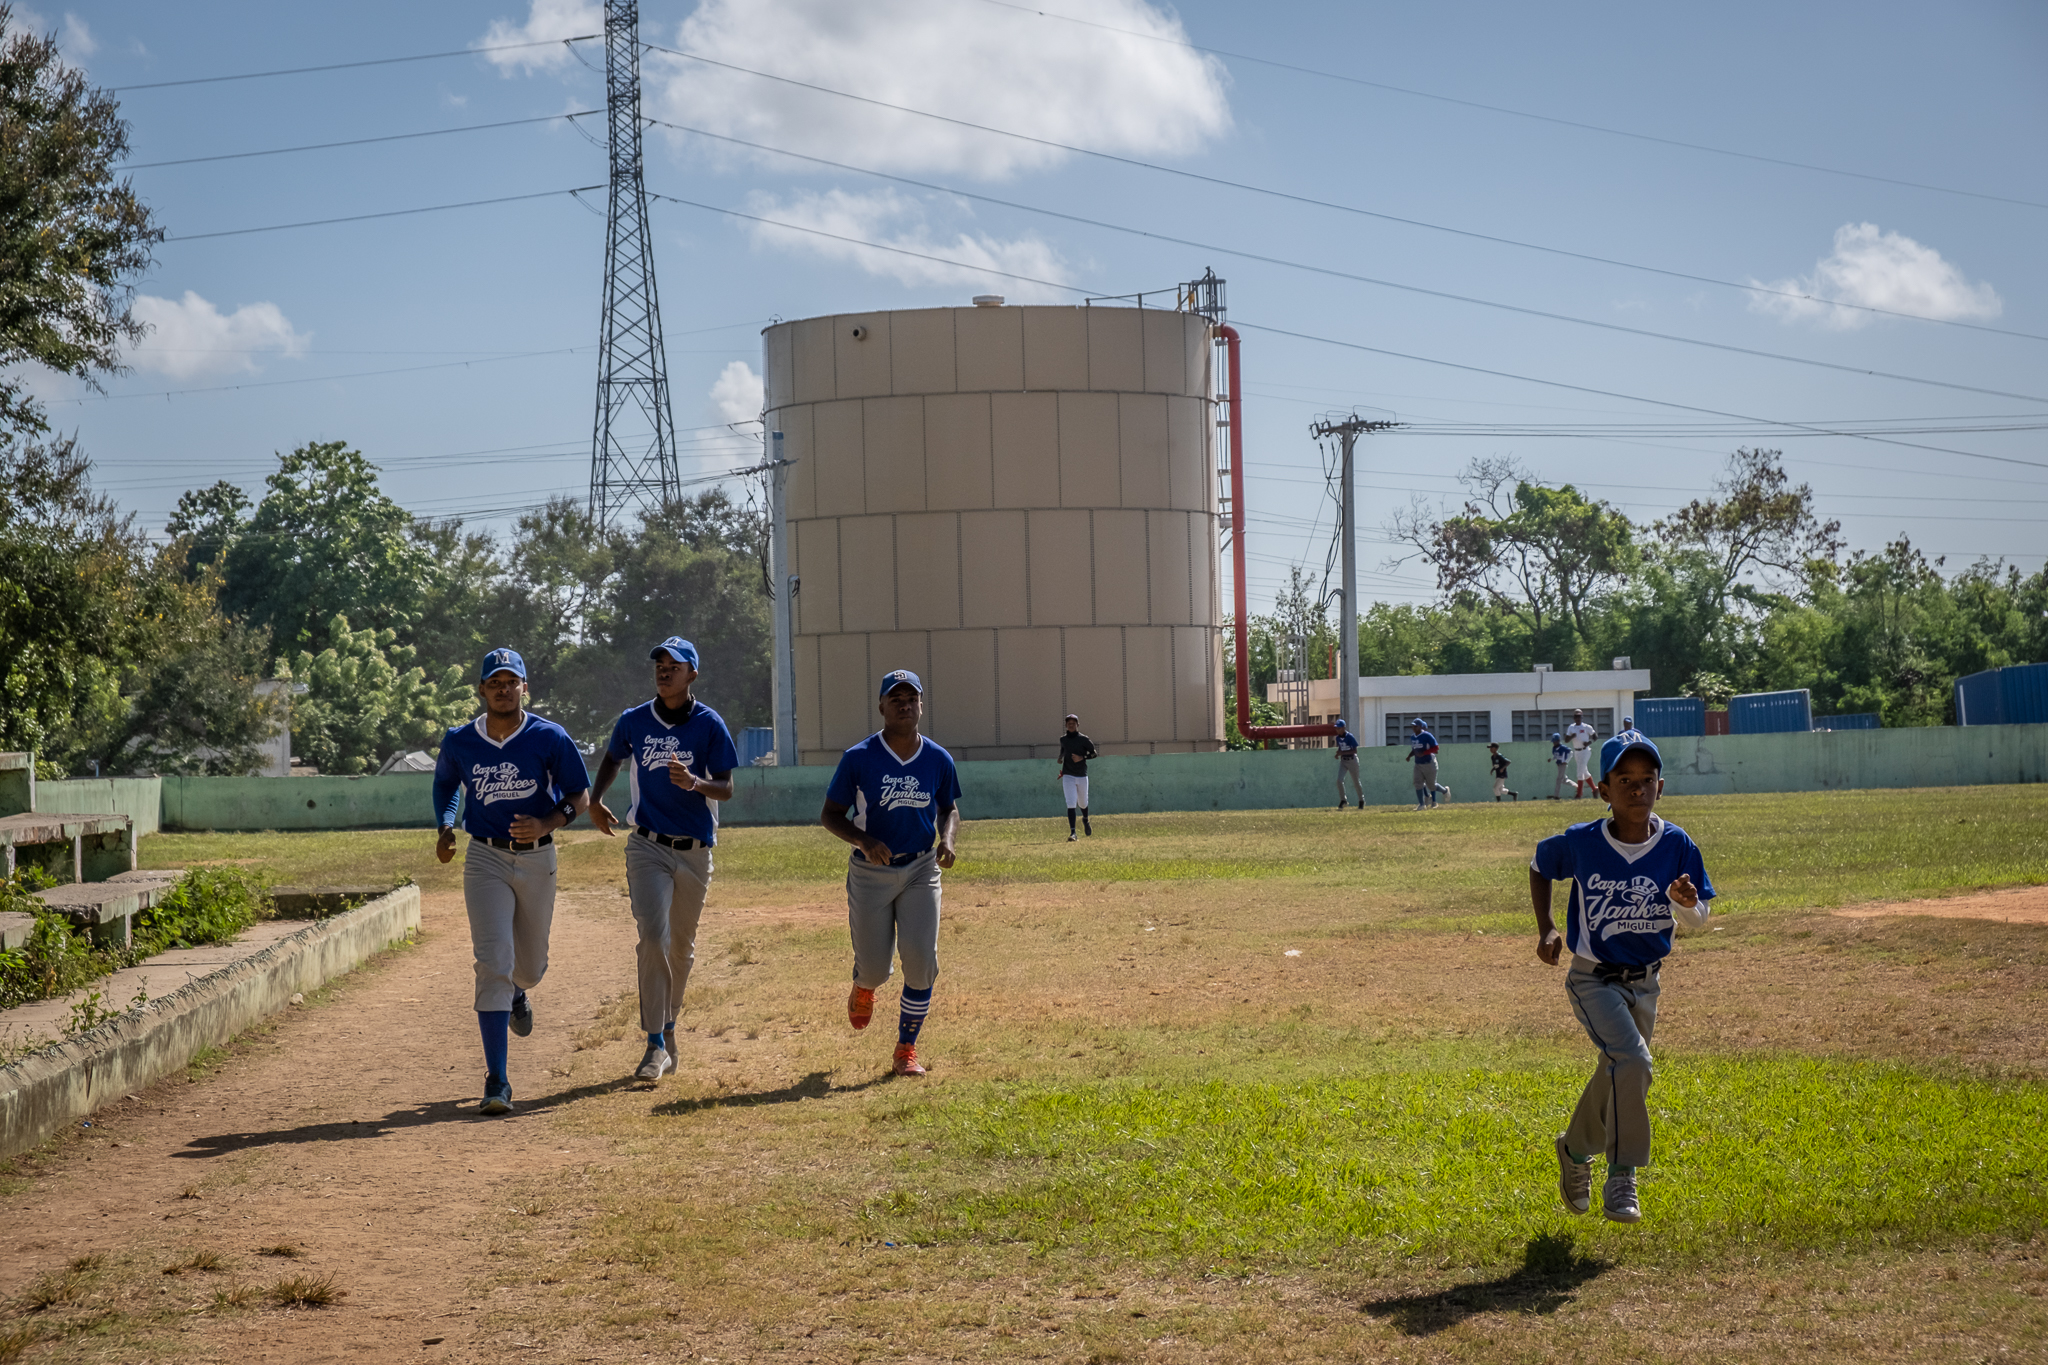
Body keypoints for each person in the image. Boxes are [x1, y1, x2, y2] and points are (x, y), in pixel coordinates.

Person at [1529, 734, 1715, 1224]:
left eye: (1646, 780)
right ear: (1603, 789)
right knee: (1632, 1060)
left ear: (1661, 786)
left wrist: (1681, 901)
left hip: (1646, 982)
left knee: (1618, 1073)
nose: (1637, 789)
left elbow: (1699, 917)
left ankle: (1572, 1150)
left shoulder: (1676, 844)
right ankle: (1623, 1174)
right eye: (1624, 781)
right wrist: (1547, 926)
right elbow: (1539, 864)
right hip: (1593, 978)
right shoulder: (1583, 842)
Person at [432, 648, 591, 1117]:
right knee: (492, 961)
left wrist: (548, 823)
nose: (503, 688)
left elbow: (579, 795)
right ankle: (497, 1080)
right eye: (494, 681)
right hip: (485, 857)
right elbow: (445, 785)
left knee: (529, 967)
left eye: (511, 681)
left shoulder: (549, 737)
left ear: (525, 687)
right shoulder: (461, 739)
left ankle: (520, 990)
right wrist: (445, 825)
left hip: (537, 859)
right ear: (481, 689)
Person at [588, 637, 738, 1088]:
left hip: (694, 849)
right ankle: (654, 1043)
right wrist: (595, 800)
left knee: (680, 948)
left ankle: (669, 1026)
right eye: (660, 663)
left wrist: (695, 783)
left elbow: (726, 788)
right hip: (647, 845)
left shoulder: (710, 725)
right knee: (653, 938)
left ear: (693, 674)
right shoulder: (635, 720)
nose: (664, 670)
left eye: (675, 665)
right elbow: (612, 758)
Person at [820, 670, 962, 1077]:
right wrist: (864, 841)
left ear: (921, 705)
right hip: (871, 872)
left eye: (911, 698)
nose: (904, 705)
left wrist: (947, 841)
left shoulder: (937, 758)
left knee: (920, 958)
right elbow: (830, 815)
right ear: (881, 706)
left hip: (920, 867)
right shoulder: (859, 758)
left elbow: (948, 807)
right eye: (895, 698)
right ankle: (864, 986)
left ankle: (906, 1048)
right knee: (876, 967)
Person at [1056, 714, 1098, 840]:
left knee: (1083, 803)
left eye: (1073, 723)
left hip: (1081, 775)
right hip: (1068, 775)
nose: (1071, 725)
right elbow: (1063, 749)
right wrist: (1060, 757)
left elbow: (1094, 753)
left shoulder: (1084, 739)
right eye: (1069, 723)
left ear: (1078, 725)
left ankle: (1085, 819)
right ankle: (1073, 833)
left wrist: (1082, 757)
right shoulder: (1063, 739)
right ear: (1066, 725)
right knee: (1071, 803)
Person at [1406, 717, 1443, 810]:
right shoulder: (1413, 737)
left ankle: (1444, 791)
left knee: (1431, 785)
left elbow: (1436, 748)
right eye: (1412, 726)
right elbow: (1414, 749)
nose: (1413, 728)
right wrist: (1409, 756)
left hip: (1428, 763)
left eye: (1415, 726)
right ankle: (1421, 804)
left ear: (1420, 727)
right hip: (1418, 763)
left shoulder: (1427, 735)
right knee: (1417, 783)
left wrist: (1424, 753)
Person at [1564, 709, 1599, 798]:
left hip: (1585, 750)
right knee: (1584, 772)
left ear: (1582, 717)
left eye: (1579, 716)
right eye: (1576, 716)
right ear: (1574, 718)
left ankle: (1579, 794)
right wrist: (1572, 736)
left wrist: (1589, 742)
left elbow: (1595, 736)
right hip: (1577, 751)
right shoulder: (1571, 727)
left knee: (1580, 772)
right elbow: (1566, 740)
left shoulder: (1586, 727)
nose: (1578, 718)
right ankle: (1594, 789)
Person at [1333, 717, 1363, 809]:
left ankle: (1361, 800)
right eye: (1336, 728)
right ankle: (1343, 800)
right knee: (1339, 780)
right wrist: (1338, 753)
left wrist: (1342, 753)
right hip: (1343, 761)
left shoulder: (1349, 737)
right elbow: (1341, 747)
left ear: (1344, 728)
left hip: (1352, 760)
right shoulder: (1338, 738)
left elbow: (1354, 750)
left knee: (1356, 782)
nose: (1337, 730)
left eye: (1339, 728)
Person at [1550, 732, 1569, 800]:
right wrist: (1551, 759)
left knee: (1558, 780)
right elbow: (1555, 756)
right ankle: (1577, 787)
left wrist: (1566, 761)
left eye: (1555, 741)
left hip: (1562, 765)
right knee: (1564, 780)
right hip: (1558, 765)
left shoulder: (1563, 748)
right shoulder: (1554, 748)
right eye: (1553, 742)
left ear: (1558, 741)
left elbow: (1571, 753)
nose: (1554, 743)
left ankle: (1556, 796)